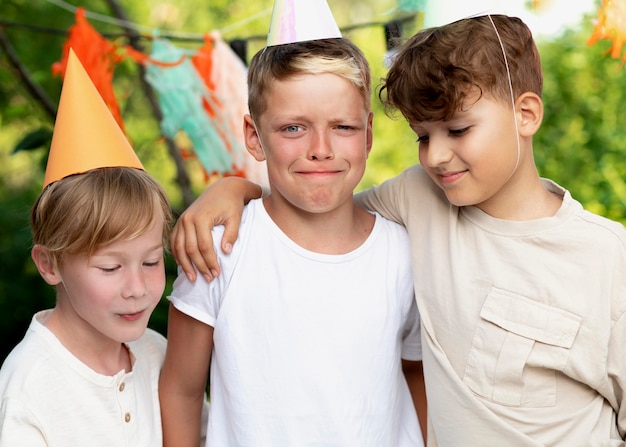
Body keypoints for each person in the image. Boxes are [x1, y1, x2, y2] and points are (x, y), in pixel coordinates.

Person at [169, 14, 626, 446]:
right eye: (423, 137)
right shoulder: (419, 200)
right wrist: (233, 188)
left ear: (526, 115)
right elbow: (318, 213)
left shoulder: (608, 260)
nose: (436, 157)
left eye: (459, 129)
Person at [157, 8, 427, 445]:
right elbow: (181, 390)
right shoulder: (222, 247)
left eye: (342, 127)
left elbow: (415, 375)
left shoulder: (402, 251)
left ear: (368, 134)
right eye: (293, 127)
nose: (320, 149)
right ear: (253, 136)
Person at [0, 51, 174, 446]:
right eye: (110, 268)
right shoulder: (27, 389)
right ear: (49, 264)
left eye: (150, 261)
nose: (138, 287)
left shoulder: (155, 353)